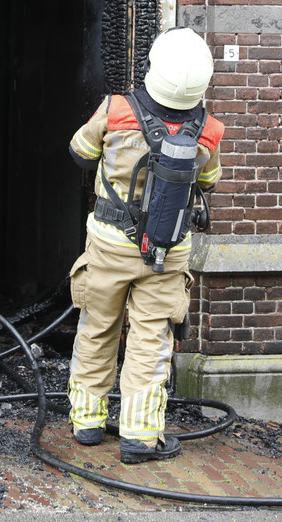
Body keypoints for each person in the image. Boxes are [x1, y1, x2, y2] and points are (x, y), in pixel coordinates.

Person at [66, 27, 225, 464]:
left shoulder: (116, 109)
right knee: (151, 341)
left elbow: (80, 150)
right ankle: (139, 436)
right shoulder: (208, 129)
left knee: (98, 326)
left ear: (154, 66)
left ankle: (88, 423)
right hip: (167, 253)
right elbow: (209, 181)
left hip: (109, 244)